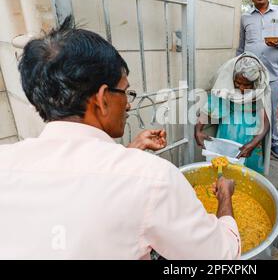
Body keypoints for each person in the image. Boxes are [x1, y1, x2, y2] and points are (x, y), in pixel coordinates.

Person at [0, 17, 240, 259]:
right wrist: (225, 198)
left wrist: (129, 152)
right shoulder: (154, 180)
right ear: (103, 98)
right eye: (126, 92)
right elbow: (221, 257)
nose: (128, 105)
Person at [237, 0, 278, 160]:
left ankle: (274, 142)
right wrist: (237, 71)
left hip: (273, 74)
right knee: (251, 109)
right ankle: (253, 141)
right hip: (249, 75)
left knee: (270, 110)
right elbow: (240, 47)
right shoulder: (245, 17)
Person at [195, 52, 271, 175]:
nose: (241, 88)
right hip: (228, 131)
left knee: (249, 174)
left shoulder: (261, 90)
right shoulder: (226, 85)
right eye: (238, 83)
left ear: (255, 83)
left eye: (246, 85)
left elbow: (266, 122)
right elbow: (209, 107)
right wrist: (198, 130)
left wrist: (253, 144)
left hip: (252, 135)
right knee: (224, 168)